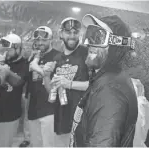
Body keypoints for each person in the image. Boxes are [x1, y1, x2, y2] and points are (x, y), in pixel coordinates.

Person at [69, 14, 138, 147]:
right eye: (89, 35)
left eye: (98, 37)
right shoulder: (105, 79)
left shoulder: (110, 91)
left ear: (117, 44)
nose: (89, 43)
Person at [49, 17, 89, 147]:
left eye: (75, 32)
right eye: (68, 32)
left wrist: (70, 84)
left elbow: (98, 85)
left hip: (82, 121)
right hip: (61, 118)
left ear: (80, 34)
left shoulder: (87, 54)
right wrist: (45, 75)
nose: (72, 36)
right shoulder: (57, 59)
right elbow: (50, 92)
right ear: (61, 34)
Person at [0, 33, 29, 147]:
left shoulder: (24, 64)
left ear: (18, 49)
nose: (5, 53)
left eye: (8, 50)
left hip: (9, 118)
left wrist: (2, 66)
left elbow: (18, 82)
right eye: (2, 50)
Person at [27, 26, 59, 147]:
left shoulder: (58, 56)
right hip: (33, 110)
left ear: (51, 39)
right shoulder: (34, 57)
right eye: (37, 40)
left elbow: (58, 84)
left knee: (49, 145)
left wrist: (39, 69)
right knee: (36, 145)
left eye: (44, 40)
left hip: (50, 110)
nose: (40, 43)